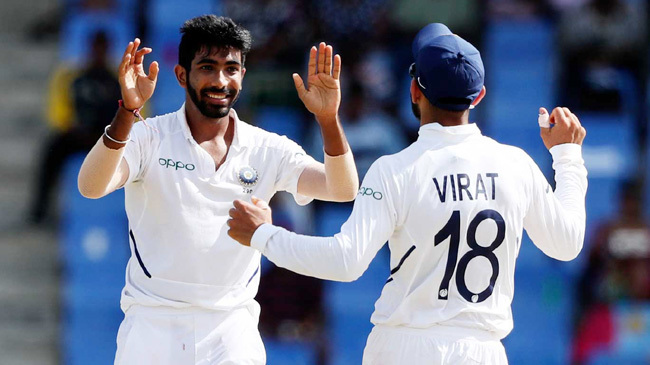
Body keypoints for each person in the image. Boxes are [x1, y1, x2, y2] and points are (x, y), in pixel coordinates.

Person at [227, 23, 588, 364]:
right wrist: (568, 157)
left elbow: (345, 261)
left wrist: (264, 235)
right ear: (478, 96)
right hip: (482, 352)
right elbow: (567, 244)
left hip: (404, 348)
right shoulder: (516, 165)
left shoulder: (394, 170)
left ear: (414, 91)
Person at [76, 15, 358, 364]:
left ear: (243, 75)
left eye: (231, 68)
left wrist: (328, 120)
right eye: (207, 67)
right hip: (152, 324)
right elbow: (90, 186)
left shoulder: (267, 148)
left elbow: (342, 188)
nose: (220, 80)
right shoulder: (149, 137)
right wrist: (129, 111)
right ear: (182, 75)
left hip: (231, 328)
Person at [29, 30, 121, 223]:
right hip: (78, 134)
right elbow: (57, 109)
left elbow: (137, 112)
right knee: (52, 150)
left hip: (111, 139)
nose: (99, 52)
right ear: (90, 48)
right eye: (96, 47)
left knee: (141, 158)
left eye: (102, 48)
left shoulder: (119, 78)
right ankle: (40, 210)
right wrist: (69, 126)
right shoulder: (71, 75)